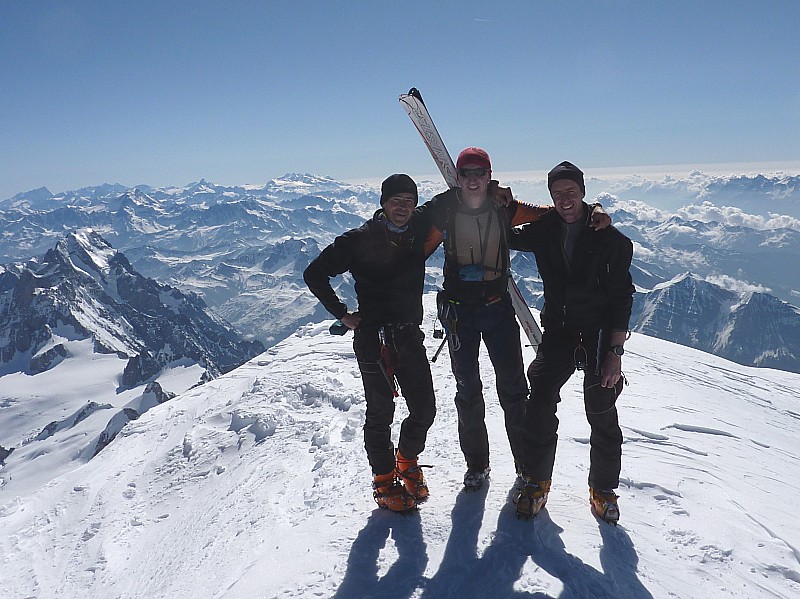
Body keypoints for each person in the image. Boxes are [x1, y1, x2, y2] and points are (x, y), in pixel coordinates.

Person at [417, 148, 610, 491]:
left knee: (514, 390)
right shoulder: (443, 208)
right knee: (468, 391)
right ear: (458, 177)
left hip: (497, 310)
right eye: (466, 173)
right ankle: (477, 465)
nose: (473, 179)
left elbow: (559, 214)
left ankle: (525, 464)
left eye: (480, 173)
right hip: (460, 313)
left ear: (490, 175)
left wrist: (595, 210)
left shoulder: (505, 208)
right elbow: (411, 233)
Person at [509, 161, 634, 523]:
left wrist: (614, 353)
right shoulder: (545, 229)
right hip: (560, 329)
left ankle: (603, 489)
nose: (565, 198)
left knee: (600, 406)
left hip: (597, 332)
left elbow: (622, 298)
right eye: (557, 192)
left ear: (583, 190)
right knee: (541, 396)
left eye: (571, 191)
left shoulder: (609, 240)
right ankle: (536, 481)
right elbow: (506, 235)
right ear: (550, 196)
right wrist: (484, 207)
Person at [303, 174, 436, 512]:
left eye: (409, 200)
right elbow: (314, 273)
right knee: (381, 414)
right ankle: (384, 481)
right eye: (396, 200)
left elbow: (450, 201)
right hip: (373, 339)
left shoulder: (418, 227)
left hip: (408, 335)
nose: (403, 206)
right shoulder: (359, 239)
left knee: (424, 409)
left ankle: (405, 461)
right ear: (383, 203)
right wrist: (342, 314)